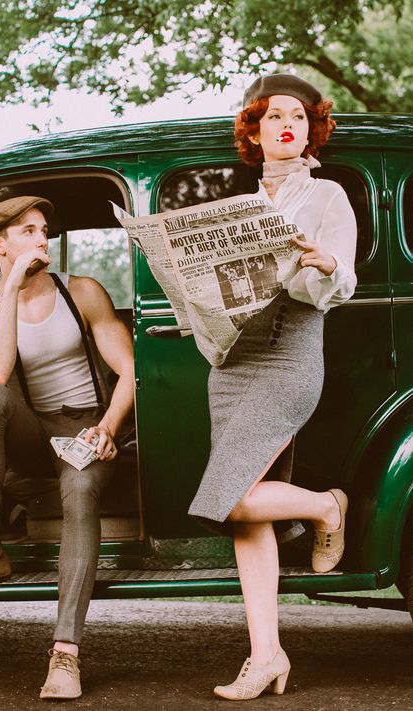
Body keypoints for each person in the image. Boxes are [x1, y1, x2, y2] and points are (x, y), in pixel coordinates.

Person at [188, 73, 357, 700]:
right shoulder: (239, 206)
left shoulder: (327, 195)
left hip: (289, 355)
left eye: (301, 116)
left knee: (231, 499)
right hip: (231, 364)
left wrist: (325, 263)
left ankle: (323, 506)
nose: (289, 123)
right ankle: (266, 656)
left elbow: (341, 286)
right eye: (274, 115)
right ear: (254, 132)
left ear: (312, 130)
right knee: (245, 515)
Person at [0, 196, 135, 700]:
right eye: (27, 232)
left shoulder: (83, 291)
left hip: (87, 426)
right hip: (31, 432)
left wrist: (109, 427)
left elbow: (130, 370)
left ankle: (65, 654)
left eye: (44, 230)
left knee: (80, 494)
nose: (41, 240)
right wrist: (10, 289)